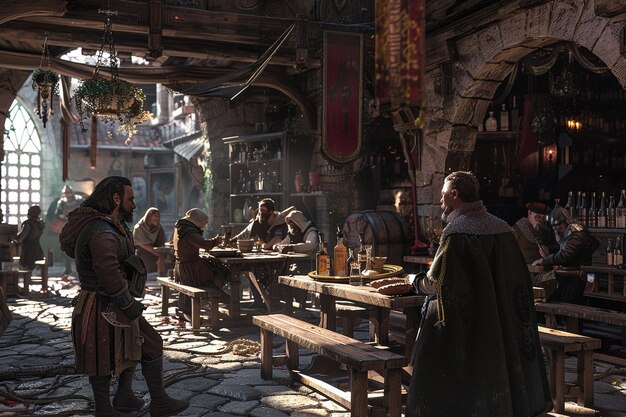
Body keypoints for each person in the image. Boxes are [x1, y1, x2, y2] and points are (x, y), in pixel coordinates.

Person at [408, 171, 550, 417]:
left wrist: (412, 281)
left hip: (468, 325)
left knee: (433, 328)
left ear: (455, 194)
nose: (441, 201)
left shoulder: (456, 233)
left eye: (443, 195)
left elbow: (437, 284)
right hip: (501, 320)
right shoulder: (502, 229)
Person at [59, 176, 188, 417]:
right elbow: (107, 270)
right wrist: (128, 304)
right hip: (101, 305)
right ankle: (105, 409)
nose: (134, 205)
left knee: (137, 344)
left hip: (112, 302)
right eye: (131, 199)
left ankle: (125, 396)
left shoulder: (109, 226)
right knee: (101, 356)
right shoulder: (101, 231)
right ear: (116, 198)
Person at [531, 205, 599, 304]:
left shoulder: (577, 235)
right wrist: (549, 249)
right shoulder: (570, 234)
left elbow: (565, 255)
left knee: (564, 303)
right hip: (569, 277)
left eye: (558, 226)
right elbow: (563, 246)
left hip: (578, 279)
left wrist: (543, 260)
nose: (556, 230)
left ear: (566, 223)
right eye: (554, 227)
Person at [173, 208, 227, 319]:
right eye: (204, 223)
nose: (205, 226)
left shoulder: (183, 228)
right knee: (220, 272)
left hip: (184, 267)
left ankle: (211, 302)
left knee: (215, 269)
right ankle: (224, 301)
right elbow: (204, 244)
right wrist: (217, 240)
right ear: (197, 221)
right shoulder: (189, 232)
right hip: (190, 269)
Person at [53, 185, 84, 275]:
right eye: (66, 193)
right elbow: (57, 214)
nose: (68, 194)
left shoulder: (79, 199)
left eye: (69, 192)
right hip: (66, 225)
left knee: (79, 248)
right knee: (66, 247)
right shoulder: (61, 202)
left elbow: (83, 210)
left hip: (78, 226)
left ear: (72, 192)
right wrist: (62, 216)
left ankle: (80, 268)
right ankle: (68, 268)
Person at [133, 207, 167, 274]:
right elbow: (142, 243)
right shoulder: (139, 228)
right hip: (143, 253)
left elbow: (161, 243)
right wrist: (155, 252)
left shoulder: (159, 228)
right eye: (154, 216)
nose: (156, 219)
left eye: (158, 216)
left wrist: (161, 254)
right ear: (148, 217)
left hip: (155, 252)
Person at [13, 206, 45, 271]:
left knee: (27, 268)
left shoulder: (28, 223)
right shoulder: (40, 223)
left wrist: (14, 240)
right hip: (37, 248)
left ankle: (27, 279)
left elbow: (22, 236)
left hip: (28, 249)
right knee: (31, 267)